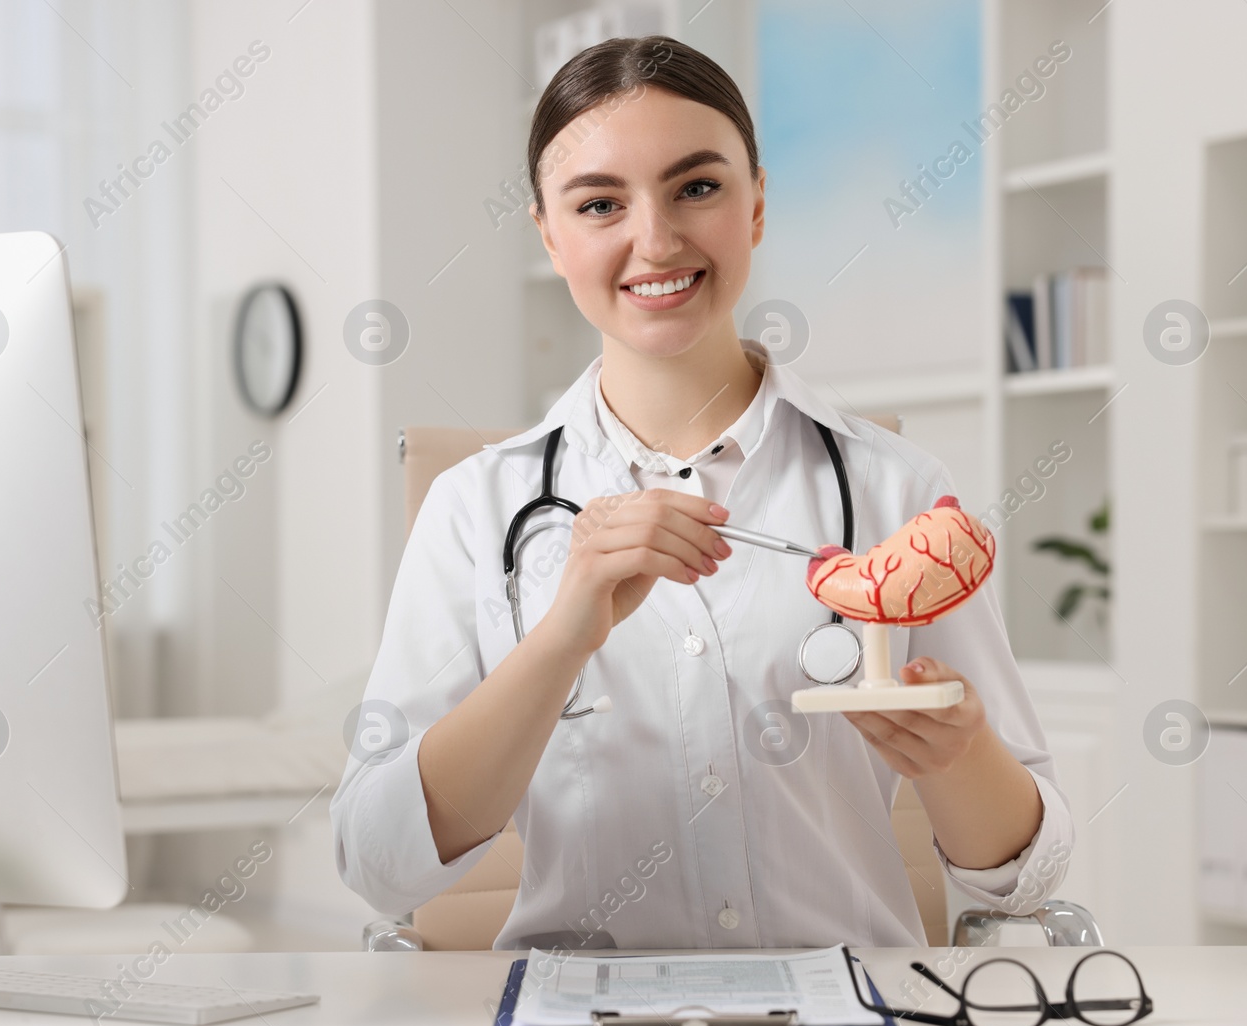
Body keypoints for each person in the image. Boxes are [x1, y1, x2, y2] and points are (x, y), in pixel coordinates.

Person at [331, 35, 1072, 949]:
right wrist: (562, 635)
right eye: (600, 203)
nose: (656, 239)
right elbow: (377, 863)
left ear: (756, 204)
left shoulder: (896, 490)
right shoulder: (475, 508)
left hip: (848, 1024)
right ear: (549, 236)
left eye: (698, 187)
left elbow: (1026, 873)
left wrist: (960, 755)